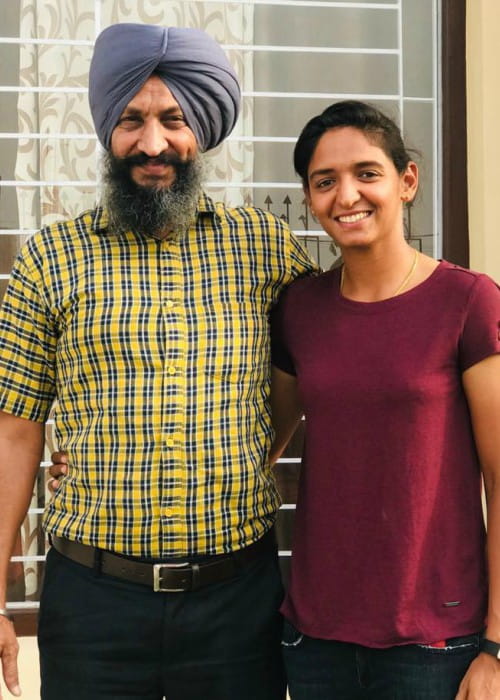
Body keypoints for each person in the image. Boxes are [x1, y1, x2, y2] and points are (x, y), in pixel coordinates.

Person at [0, 22, 317, 700]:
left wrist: (257, 451)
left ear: (201, 127)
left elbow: (314, 372)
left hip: (238, 602)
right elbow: (15, 429)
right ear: (106, 129)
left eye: (174, 119)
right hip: (93, 606)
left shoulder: (267, 248)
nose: (152, 143)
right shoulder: (50, 257)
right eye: (132, 120)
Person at [269, 100, 500, 699]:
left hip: (435, 642)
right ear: (310, 198)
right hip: (315, 639)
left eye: (366, 173)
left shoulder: (468, 303)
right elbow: (254, 445)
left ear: (406, 181)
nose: (347, 195)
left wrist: (497, 646)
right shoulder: (301, 310)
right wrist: (96, 470)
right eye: (325, 182)